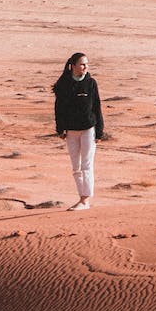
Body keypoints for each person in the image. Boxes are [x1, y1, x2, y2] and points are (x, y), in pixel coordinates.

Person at [53, 51, 104, 210]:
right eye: (82, 64)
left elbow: (97, 107)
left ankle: (85, 199)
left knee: (86, 165)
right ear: (73, 66)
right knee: (76, 167)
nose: (85, 67)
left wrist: (99, 131)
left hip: (88, 129)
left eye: (87, 64)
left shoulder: (91, 83)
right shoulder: (64, 84)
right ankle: (82, 197)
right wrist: (60, 128)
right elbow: (58, 108)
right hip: (71, 131)